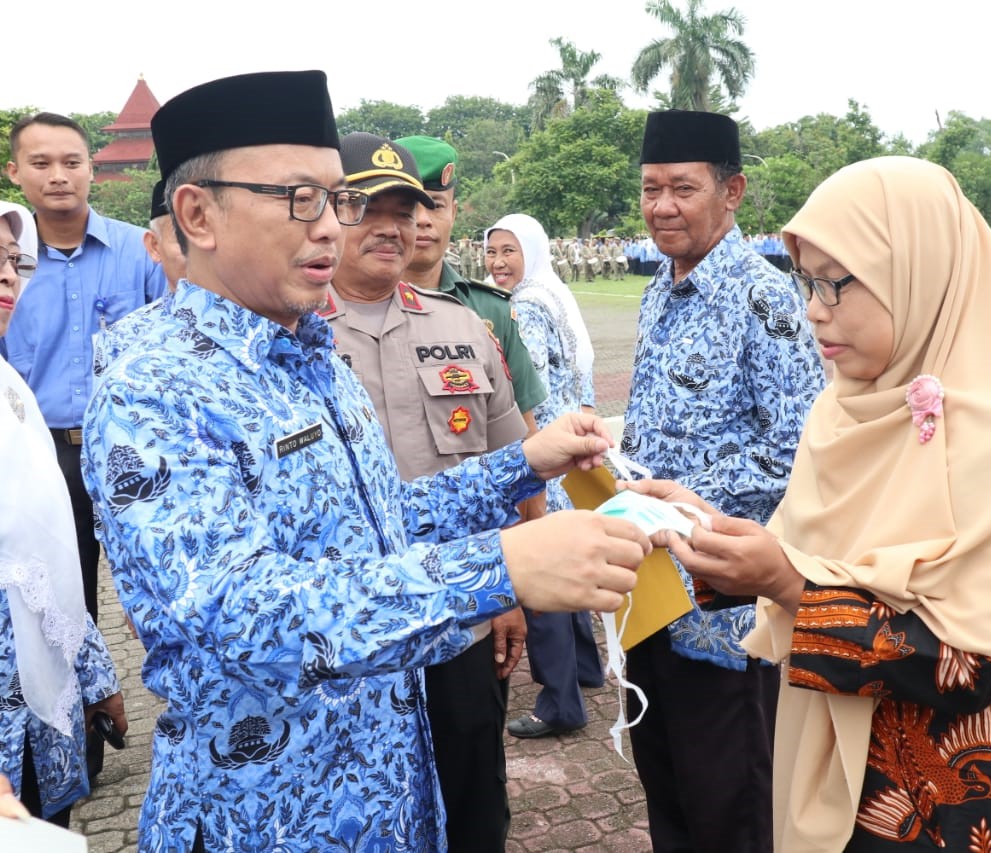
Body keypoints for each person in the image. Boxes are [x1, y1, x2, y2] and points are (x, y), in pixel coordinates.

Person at [82, 70, 648, 853]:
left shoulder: (311, 356)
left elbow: (379, 523)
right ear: (197, 214)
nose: (330, 226)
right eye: (299, 199)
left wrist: (522, 463)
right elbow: (241, 613)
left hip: (390, 797)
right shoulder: (153, 388)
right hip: (270, 819)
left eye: (335, 200)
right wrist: (498, 566)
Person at [627, 156, 991, 851]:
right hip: (842, 785)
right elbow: (803, 552)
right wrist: (713, 535)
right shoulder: (841, 416)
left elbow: (975, 661)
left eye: (837, 283)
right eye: (808, 281)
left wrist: (783, 581)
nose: (813, 308)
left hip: (977, 806)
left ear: (918, 276)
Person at [621, 109, 825, 852]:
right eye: (649, 189)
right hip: (648, 597)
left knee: (732, 809)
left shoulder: (762, 296)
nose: (662, 206)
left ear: (732, 190)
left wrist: (678, 498)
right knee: (668, 796)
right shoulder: (659, 288)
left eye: (683, 188)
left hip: (723, 609)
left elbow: (801, 446)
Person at [320, 131, 528, 853]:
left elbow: (511, 465)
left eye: (405, 209)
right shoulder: (289, 334)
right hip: (345, 632)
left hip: (461, 620)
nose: (390, 226)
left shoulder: (462, 325)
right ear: (327, 211)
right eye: (367, 208)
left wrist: (507, 593)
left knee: (474, 796)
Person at [2, 113, 166, 631]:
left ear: (92, 169)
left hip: (135, 447)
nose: (58, 175)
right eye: (41, 163)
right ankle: (86, 703)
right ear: (13, 172)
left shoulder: (143, 251)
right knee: (63, 595)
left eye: (72, 162)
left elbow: (171, 346)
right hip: (43, 453)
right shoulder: (9, 264)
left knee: (163, 585)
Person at [0, 201, 128, 827]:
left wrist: (96, 673)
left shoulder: (10, 387)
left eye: (13, 261)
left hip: (36, 699)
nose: (8, 277)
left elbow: (45, 556)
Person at [483, 212, 605, 739]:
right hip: (570, 445)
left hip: (542, 451)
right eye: (492, 251)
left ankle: (560, 703)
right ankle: (585, 669)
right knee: (570, 559)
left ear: (530, 251)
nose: (497, 262)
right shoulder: (552, 293)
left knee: (541, 578)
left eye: (509, 251)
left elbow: (522, 391)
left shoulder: (526, 307)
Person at [395, 135, 548, 440]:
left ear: (453, 213)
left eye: (435, 205)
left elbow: (525, 441)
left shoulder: (492, 311)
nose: (423, 220)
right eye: (410, 207)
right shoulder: (346, 309)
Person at [92, 181, 186, 378]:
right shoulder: (118, 340)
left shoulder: (264, 323)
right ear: (154, 246)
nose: (202, 248)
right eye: (183, 239)